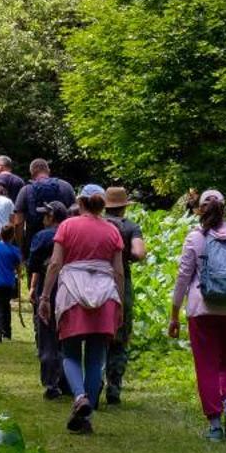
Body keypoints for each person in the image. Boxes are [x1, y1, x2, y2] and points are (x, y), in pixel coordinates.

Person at [167, 187, 226, 439]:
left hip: (202, 309)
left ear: (199, 209)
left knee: (206, 366)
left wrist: (174, 314)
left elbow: (182, 277)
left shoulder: (195, 238)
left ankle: (214, 426)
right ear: (225, 208)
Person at [43, 184, 124, 433]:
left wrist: (45, 296)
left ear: (80, 202)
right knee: (96, 357)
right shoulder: (112, 231)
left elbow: (56, 262)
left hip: (73, 294)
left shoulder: (67, 226)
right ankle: (85, 417)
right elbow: (118, 271)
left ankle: (80, 398)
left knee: (69, 353)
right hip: (104, 296)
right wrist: (119, 303)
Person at [102, 185, 147, 405]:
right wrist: (125, 255)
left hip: (95, 281)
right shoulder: (130, 227)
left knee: (97, 333)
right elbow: (139, 253)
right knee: (120, 335)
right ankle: (114, 386)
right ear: (124, 207)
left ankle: (93, 381)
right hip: (122, 282)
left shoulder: (96, 224)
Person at [27, 200, 68, 398]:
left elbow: (33, 263)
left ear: (51, 217)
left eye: (45, 215)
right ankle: (69, 381)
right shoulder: (72, 233)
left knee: (48, 335)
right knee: (67, 336)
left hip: (48, 287)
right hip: (71, 288)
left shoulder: (43, 237)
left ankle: (51, 383)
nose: (42, 218)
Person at [12, 158, 76, 252]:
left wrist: (20, 248)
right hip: (63, 242)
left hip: (35, 244)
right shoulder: (66, 186)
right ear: (48, 171)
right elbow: (75, 215)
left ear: (32, 173)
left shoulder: (26, 190)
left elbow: (18, 222)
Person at [0, 224, 23, 341]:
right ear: (12, 236)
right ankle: (7, 332)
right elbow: (18, 269)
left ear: (0, 234)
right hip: (8, 283)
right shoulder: (14, 250)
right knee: (6, 306)